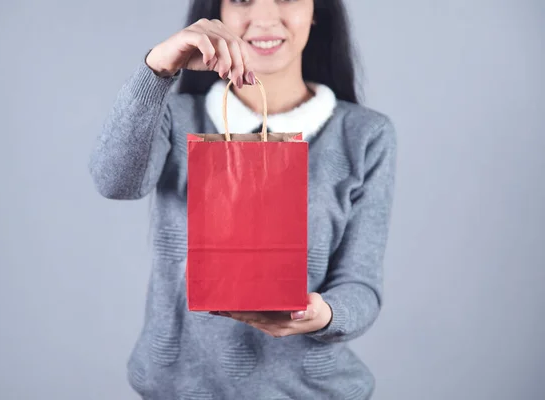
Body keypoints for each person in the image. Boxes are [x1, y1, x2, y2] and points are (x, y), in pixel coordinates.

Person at [89, 0, 397, 398]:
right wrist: (157, 69)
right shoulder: (177, 117)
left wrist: (322, 314)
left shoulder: (364, 136)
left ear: (317, 9)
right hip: (176, 389)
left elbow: (360, 286)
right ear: (216, 10)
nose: (265, 17)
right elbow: (114, 182)